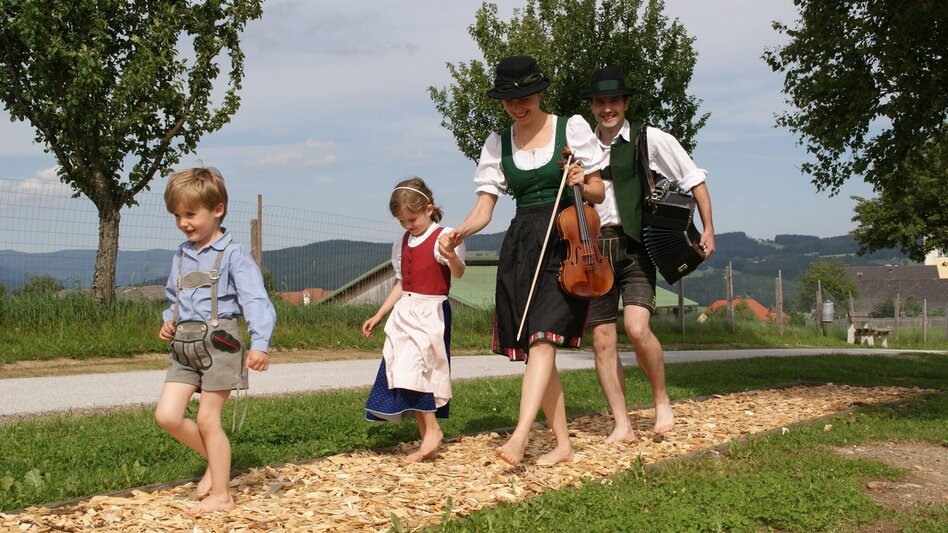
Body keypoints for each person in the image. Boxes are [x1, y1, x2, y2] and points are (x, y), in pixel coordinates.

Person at [439, 56, 605, 466]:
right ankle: (564, 445)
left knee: (544, 338)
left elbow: (599, 191)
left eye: (525, 98)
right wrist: (461, 231)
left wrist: (583, 181)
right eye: (509, 100)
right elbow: (485, 208)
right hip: (521, 244)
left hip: (566, 242)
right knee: (537, 349)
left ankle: (520, 436)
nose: (517, 106)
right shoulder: (498, 143)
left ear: (540, 93)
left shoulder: (573, 128)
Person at [582, 66, 715, 441]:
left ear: (625, 103)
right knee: (603, 339)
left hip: (636, 247)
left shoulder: (648, 138)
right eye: (600, 102)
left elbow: (694, 179)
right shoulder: (581, 145)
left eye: (613, 101)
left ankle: (661, 401)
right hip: (593, 251)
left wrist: (709, 228)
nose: (607, 108)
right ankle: (622, 423)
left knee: (637, 329)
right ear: (593, 106)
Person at [154, 167, 276, 515]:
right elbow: (172, 297)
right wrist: (168, 321)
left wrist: (261, 343)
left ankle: (222, 494)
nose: (183, 223)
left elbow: (256, 300)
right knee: (167, 416)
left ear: (217, 209)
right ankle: (216, 460)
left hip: (221, 342)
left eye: (190, 214)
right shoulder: (181, 254)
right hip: (183, 345)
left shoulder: (234, 254)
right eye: (177, 215)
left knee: (208, 420)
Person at [363, 177, 466, 462]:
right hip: (404, 312)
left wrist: (451, 255)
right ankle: (427, 439)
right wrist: (379, 313)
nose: (408, 225)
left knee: (420, 371)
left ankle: (432, 431)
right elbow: (401, 283)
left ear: (429, 209)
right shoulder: (402, 243)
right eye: (402, 221)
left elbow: (458, 273)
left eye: (412, 218)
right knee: (406, 370)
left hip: (430, 312)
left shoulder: (443, 237)